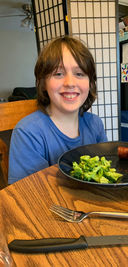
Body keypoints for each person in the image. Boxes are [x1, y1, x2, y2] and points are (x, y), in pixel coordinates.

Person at [8, 36, 108, 184]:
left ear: (90, 82)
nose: (70, 83)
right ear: (43, 83)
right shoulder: (28, 133)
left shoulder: (95, 124)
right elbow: (27, 195)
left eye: (79, 74)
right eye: (58, 74)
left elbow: (104, 175)